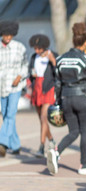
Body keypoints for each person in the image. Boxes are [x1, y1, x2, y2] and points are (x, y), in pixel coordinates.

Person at [46, 23, 86, 175]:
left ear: (73, 40)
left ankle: (56, 152)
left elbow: (57, 82)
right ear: (85, 42)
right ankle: (84, 164)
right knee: (85, 132)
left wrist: (57, 102)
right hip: (83, 97)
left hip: (66, 98)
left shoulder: (61, 59)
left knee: (73, 132)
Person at [0, 21, 28, 157]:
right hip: (2, 86)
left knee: (10, 114)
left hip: (16, 86)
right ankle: (15, 145)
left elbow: (25, 65)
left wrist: (19, 76)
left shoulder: (19, 48)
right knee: (6, 115)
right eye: (6, 35)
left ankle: (2, 143)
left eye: (11, 35)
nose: (8, 37)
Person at [28, 34, 57, 157]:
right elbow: (30, 69)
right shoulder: (34, 57)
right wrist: (32, 74)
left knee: (44, 117)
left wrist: (53, 61)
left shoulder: (53, 54)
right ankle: (51, 140)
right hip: (37, 87)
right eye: (35, 48)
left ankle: (41, 146)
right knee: (41, 119)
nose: (36, 51)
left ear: (44, 47)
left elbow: (59, 72)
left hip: (48, 88)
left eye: (38, 48)